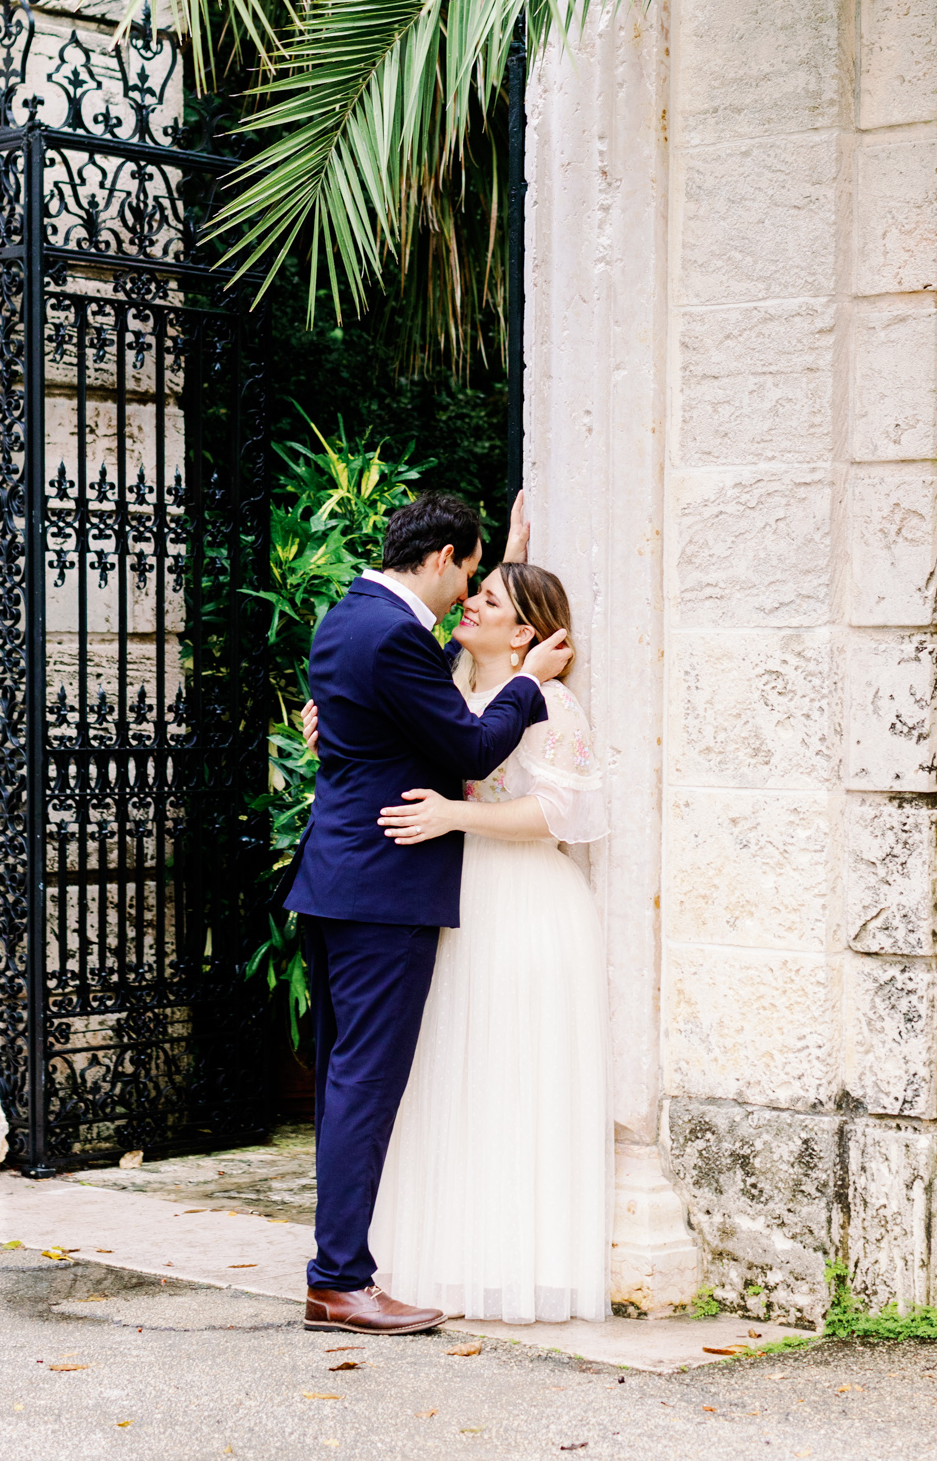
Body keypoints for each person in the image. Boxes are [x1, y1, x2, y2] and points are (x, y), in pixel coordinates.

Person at [285, 490, 572, 1337]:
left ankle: (338, 1270)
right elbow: (473, 746)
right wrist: (527, 682)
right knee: (365, 1088)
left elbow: (387, 709)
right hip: (386, 889)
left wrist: (513, 551)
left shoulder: (348, 614)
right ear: (444, 558)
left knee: (344, 1085)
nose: (470, 594)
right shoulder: (397, 638)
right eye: (473, 572)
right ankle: (338, 1281)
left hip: (335, 878)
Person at [369, 556, 611, 1323]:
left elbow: (560, 816)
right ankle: (441, 1262)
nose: (469, 603)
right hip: (450, 899)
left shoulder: (552, 703)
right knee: (447, 1078)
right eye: (473, 590)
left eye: (490, 599)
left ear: (526, 632)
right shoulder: (448, 692)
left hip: (526, 905)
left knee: (512, 1081)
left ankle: (516, 1266)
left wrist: (455, 816)